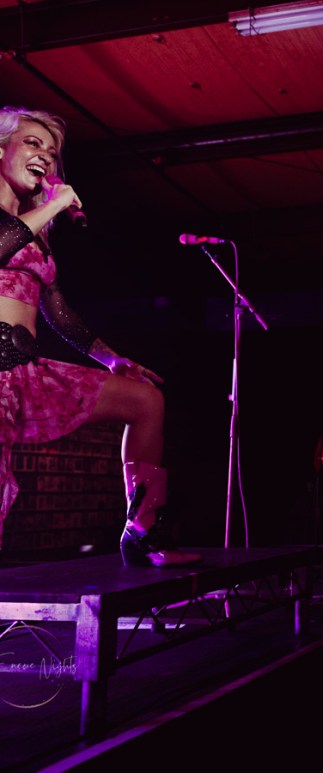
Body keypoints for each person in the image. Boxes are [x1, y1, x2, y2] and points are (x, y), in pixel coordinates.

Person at [0, 104, 200, 567]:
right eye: (32, 143)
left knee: (145, 400)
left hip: (25, 372)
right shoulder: (27, 221)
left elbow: (57, 308)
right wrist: (54, 205)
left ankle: (142, 532)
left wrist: (110, 357)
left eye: (52, 152)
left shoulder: (37, 230)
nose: (45, 156)